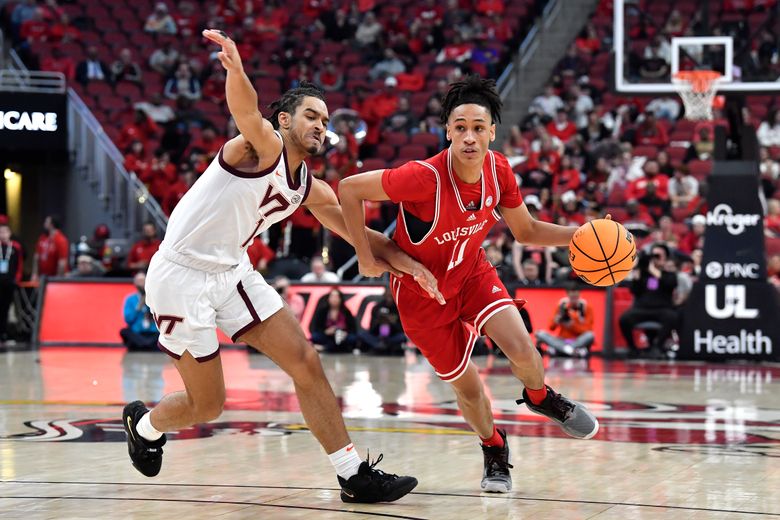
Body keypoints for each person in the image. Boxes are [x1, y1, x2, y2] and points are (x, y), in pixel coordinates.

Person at [122, 29, 442, 505]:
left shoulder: (308, 186)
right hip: (181, 277)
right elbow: (247, 110)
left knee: (306, 361)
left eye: (325, 120)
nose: (320, 125)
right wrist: (236, 69)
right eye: (311, 116)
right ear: (285, 119)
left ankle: (352, 475)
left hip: (233, 272)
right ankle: (144, 426)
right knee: (208, 404)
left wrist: (406, 264)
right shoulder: (258, 148)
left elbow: (361, 235)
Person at [339, 75, 599, 494]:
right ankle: (494, 448)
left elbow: (527, 230)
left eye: (478, 127)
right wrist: (367, 258)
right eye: (460, 127)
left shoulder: (499, 170)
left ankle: (539, 396)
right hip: (423, 298)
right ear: (448, 132)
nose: (469, 136)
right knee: (471, 391)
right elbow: (348, 189)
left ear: (492, 131)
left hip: (474, 274)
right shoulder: (422, 178)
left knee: (524, 351)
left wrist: (583, 232)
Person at [619, 243, 678, 359]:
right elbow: (634, 291)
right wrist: (638, 274)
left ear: (665, 258)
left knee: (673, 317)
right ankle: (633, 348)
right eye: (653, 255)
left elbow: (670, 284)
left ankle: (657, 346)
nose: (655, 258)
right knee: (624, 319)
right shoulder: (643, 274)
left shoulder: (669, 274)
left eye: (658, 256)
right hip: (642, 309)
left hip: (662, 309)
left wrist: (653, 269)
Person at [535, 283, 595, 358]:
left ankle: (561, 349)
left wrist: (572, 325)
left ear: (579, 295)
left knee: (590, 335)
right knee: (540, 333)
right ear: (567, 295)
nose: (574, 300)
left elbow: (588, 330)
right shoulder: (561, 306)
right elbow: (551, 327)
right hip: (561, 340)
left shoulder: (586, 307)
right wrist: (556, 321)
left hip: (577, 340)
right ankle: (570, 350)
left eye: (576, 297)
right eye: (572, 297)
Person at [358, 285, 406, 355]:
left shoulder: (399, 308)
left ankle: (382, 345)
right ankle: (382, 345)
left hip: (393, 335)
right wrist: (379, 321)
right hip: (378, 335)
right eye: (387, 295)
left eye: (391, 295)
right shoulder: (377, 308)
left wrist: (391, 322)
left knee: (404, 336)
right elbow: (371, 328)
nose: (389, 298)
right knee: (362, 334)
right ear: (384, 295)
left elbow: (402, 329)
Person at [310, 287, 358, 353]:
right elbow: (316, 327)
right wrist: (326, 331)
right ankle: (337, 348)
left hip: (342, 337)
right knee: (315, 336)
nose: (334, 299)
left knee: (352, 338)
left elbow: (353, 328)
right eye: (332, 297)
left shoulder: (346, 312)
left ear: (340, 299)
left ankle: (324, 348)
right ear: (328, 299)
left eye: (336, 297)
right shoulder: (323, 311)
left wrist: (345, 333)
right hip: (327, 336)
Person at [120, 271, 159, 351]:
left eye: (143, 280)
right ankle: (146, 345)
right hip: (137, 332)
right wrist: (138, 308)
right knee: (124, 332)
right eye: (139, 281)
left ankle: (145, 345)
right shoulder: (130, 299)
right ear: (135, 283)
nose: (141, 283)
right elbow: (128, 320)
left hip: (152, 332)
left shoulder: (154, 298)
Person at [0, 224, 23, 343]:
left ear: (9, 233)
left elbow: (19, 265)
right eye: (1, 232)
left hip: (9, 282)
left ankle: (5, 333)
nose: (3, 235)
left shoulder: (16, 247)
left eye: (5, 232)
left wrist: (17, 279)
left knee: (7, 308)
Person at [32, 215, 69, 281]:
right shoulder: (42, 238)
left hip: (54, 278)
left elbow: (62, 262)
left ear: (52, 225)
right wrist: (34, 274)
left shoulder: (60, 240)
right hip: (42, 277)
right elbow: (36, 257)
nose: (44, 224)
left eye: (46, 222)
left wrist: (58, 279)